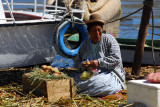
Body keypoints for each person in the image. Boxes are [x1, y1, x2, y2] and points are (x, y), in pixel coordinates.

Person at [73, 13, 126, 97]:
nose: (97, 34)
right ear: (89, 32)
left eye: (99, 30)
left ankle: (84, 91)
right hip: (91, 74)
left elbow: (116, 59)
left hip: (110, 74)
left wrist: (98, 62)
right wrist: (83, 65)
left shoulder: (109, 39)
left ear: (102, 29)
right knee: (74, 80)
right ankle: (85, 90)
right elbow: (76, 63)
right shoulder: (85, 44)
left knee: (98, 82)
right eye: (93, 31)